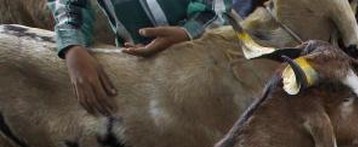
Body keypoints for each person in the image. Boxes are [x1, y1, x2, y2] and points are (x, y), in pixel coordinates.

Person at [54, 0, 229, 116]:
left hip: (217, 53)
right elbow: (68, 4)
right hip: (142, 64)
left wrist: (189, 31)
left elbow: (216, 6)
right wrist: (72, 46)